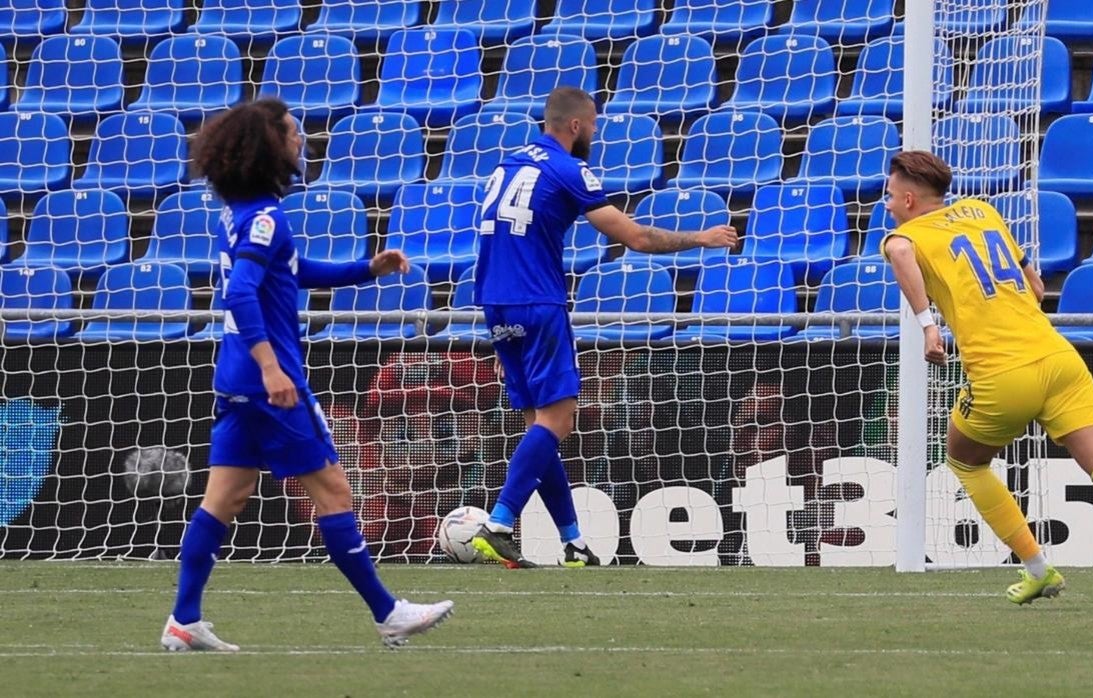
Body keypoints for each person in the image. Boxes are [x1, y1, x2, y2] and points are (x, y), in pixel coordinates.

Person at [161, 99, 454, 652]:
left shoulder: (244, 213)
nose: (301, 141)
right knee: (335, 491)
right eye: (292, 133)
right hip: (269, 381)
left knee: (224, 497)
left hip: (235, 378)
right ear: (267, 145)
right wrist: (272, 365)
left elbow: (293, 273)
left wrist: (366, 269)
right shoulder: (266, 218)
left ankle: (183, 617)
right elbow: (243, 291)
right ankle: (388, 613)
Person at [881, 150, 1093, 611]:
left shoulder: (906, 235)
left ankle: (1038, 568)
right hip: (1059, 358)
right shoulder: (984, 211)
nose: (885, 206)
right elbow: (1037, 289)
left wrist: (927, 325)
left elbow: (899, 250)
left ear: (907, 198)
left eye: (887, 196)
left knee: (964, 461)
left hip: (1003, 374)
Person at [470, 86, 738, 568]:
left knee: (541, 425)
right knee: (559, 420)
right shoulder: (569, 168)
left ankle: (573, 543)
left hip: (494, 301)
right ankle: (498, 523)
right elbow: (634, 236)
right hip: (537, 300)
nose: (594, 132)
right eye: (592, 124)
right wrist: (702, 237)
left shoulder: (507, 163)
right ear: (575, 125)